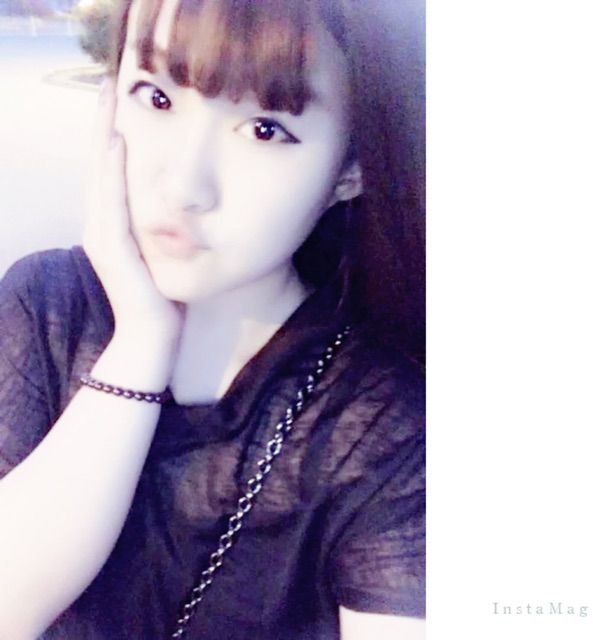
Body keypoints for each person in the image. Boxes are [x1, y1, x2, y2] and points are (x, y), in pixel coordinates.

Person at [0, 0, 425, 637]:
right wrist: (141, 343)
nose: (183, 186)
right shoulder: (46, 307)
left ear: (350, 169)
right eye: (156, 97)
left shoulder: (385, 434)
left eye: (265, 129)